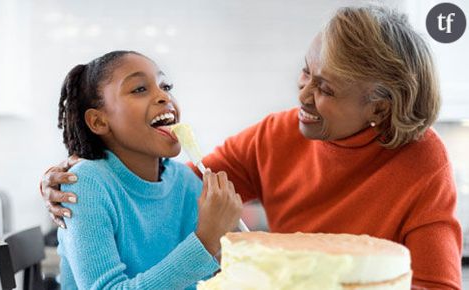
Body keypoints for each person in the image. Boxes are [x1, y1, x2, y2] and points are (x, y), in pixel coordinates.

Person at [41, 7, 463, 289]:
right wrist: (67, 177)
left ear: (380, 104)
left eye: (326, 88)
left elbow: (437, 284)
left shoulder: (422, 160)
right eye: (305, 73)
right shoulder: (277, 135)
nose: (302, 96)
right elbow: (176, 187)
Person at [52, 50, 243, 290]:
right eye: (139, 89)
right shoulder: (85, 184)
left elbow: (211, 276)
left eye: (166, 86)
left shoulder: (184, 181)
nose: (164, 96)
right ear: (99, 122)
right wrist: (205, 241)